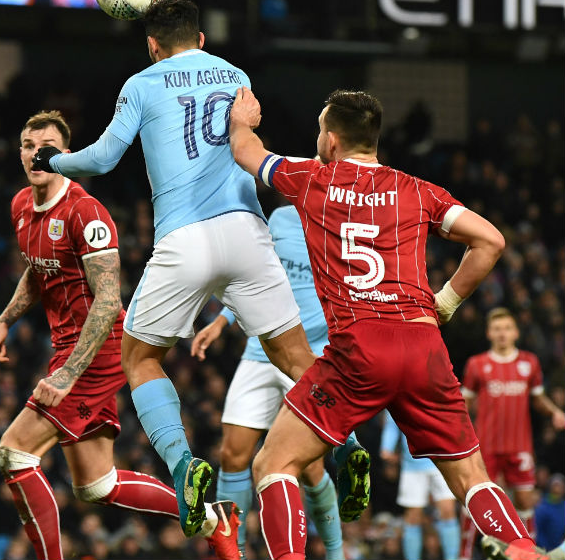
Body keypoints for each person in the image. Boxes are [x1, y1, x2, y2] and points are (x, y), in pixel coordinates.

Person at [30, 0, 368, 535]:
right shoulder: (235, 73)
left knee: (138, 358)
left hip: (184, 240)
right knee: (295, 354)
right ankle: (348, 444)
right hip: (248, 233)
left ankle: (186, 466)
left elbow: (102, 157)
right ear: (202, 38)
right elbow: (247, 136)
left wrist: (55, 161)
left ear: (152, 45)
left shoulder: (142, 82)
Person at [228, 86, 549, 560]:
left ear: (331, 140)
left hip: (359, 347)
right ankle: (522, 547)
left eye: (321, 129)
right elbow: (490, 242)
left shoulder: (313, 179)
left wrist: (242, 119)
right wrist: (446, 303)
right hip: (423, 344)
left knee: (274, 464)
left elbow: (245, 151)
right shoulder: (418, 190)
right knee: (471, 479)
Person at [0, 110, 239, 560]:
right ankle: (215, 521)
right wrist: (6, 319)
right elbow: (37, 270)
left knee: (15, 454)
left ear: (64, 156)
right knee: (96, 486)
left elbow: (108, 300)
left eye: (45, 148)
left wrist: (67, 375)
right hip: (67, 349)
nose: (34, 154)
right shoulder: (22, 206)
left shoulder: (86, 212)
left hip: (97, 348)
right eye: (26, 145)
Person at [191, 205, 347, 559]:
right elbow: (260, 277)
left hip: (312, 355)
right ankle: (238, 553)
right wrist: (222, 321)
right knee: (232, 454)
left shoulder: (345, 221)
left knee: (309, 467)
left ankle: (337, 553)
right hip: (264, 346)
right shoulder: (280, 217)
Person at [460, 307, 565, 556]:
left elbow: (538, 399)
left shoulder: (529, 363)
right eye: (497, 329)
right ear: (489, 333)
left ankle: (529, 554)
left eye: (507, 328)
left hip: (519, 446)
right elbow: (465, 405)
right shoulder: (477, 365)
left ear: (515, 332)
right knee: (475, 503)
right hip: (485, 447)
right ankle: (463, 555)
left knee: (525, 502)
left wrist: (555, 413)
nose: (502, 333)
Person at [380, 411, 461, 560]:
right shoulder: (398, 389)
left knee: (447, 511)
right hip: (412, 464)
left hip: (442, 459)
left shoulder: (437, 388)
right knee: (412, 517)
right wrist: (387, 447)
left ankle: (453, 558)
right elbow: (392, 419)